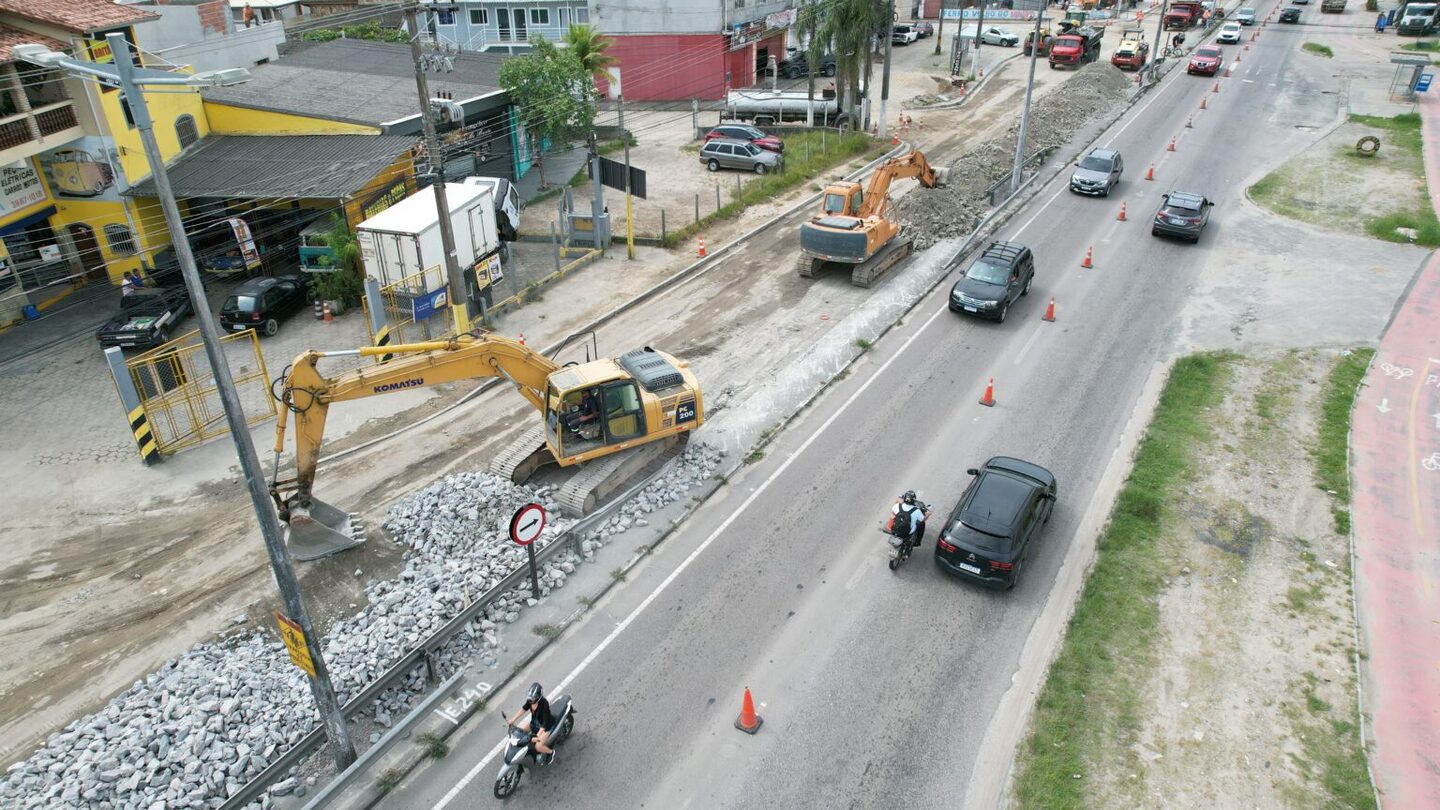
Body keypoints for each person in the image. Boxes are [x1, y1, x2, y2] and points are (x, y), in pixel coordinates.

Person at [508, 682, 555, 761]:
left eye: (533, 698)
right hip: (534, 723)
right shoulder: (530, 701)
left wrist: (537, 736)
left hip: (546, 727)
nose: (531, 700)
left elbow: (544, 724)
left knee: (538, 747)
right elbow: (523, 709)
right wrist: (513, 719)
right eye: (530, 698)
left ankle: (551, 752)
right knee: (519, 732)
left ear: (538, 697)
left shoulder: (544, 704)